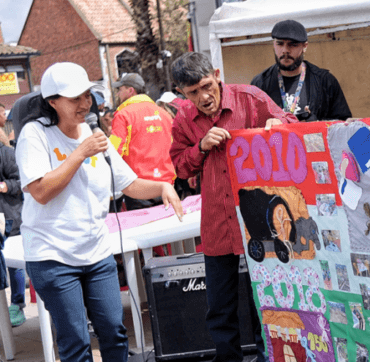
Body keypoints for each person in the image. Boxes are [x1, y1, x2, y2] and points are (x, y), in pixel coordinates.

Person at [16, 62, 182, 362]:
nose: (85, 104)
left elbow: (128, 183)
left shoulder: (95, 136)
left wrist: (161, 188)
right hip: (53, 257)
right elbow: (40, 191)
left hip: (97, 253)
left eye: (87, 96)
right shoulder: (35, 134)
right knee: (76, 341)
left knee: (114, 332)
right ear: (53, 101)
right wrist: (80, 153)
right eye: (74, 98)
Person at [170, 52, 297, 362]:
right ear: (182, 94)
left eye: (206, 86)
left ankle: (270, 358)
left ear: (216, 75)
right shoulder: (184, 119)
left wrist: (276, 124)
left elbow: (291, 124)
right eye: (192, 93)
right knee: (220, 306)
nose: (203, 97)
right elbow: (180, 167)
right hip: (217, 222)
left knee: (265, 301)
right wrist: (200, 147)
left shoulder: (249, 98)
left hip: (259, 216)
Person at [250, 20, 352, 122]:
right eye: (280, 44)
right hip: (276, 138)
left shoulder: (325, 81)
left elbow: (343, 124)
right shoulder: (260, 83)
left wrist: (316, 123)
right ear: (274, 45)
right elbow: (251, 125)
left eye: (292, 45)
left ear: (305, 46)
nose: (285, 50)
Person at [110, 73, 176, 210]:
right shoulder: (164, 114)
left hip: (139, 188)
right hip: (167, 185)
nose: (118, 94)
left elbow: (114, 152)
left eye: (120, 89)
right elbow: (175, 147)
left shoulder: (123, 115)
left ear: (130, 91)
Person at [0, 131, 24, 327]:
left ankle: (17, 303)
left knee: (14, 264)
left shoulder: (7, 153)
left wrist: (4, 186)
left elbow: (21, 182)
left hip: (9, 217)